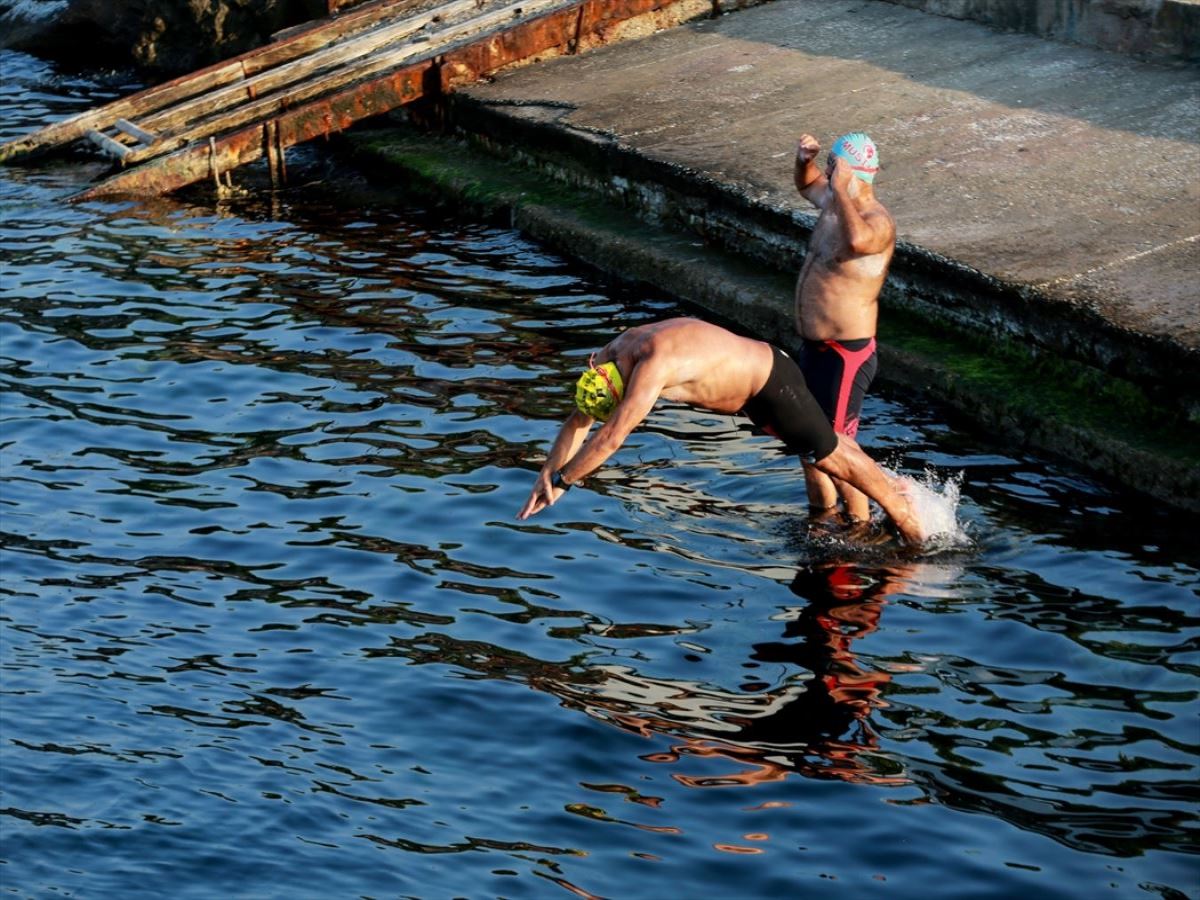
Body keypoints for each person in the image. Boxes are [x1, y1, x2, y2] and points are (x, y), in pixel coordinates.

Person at [516, 317, 923, 545]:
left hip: (768, 382)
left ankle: (906, 519)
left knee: (829, 453)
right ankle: (874, 508)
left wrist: (565, 480)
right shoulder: (613, 352)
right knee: (825, 453)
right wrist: (544, 476)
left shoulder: (653, 364)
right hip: (751, 387)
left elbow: (611, 437)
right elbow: (578, 422)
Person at [793, 132, 895, 524]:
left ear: (853, 172)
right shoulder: (835, 205)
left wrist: (840, 187)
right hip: (815, 349)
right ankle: (822, 520)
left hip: (844, 354)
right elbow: (805, 184)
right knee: (810, 450)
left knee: (836, 451)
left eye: (833, 167)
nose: (828, 176)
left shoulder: (876, 220)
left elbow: (857, 241)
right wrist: (805, 160)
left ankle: (861, 527)